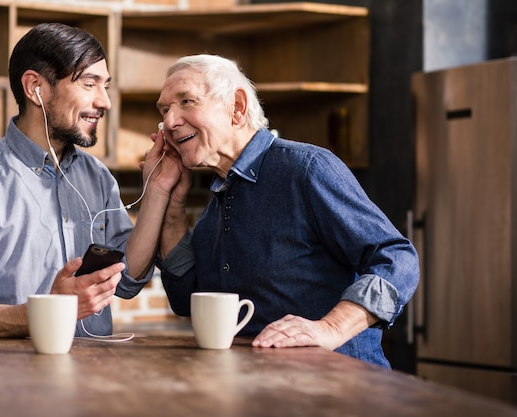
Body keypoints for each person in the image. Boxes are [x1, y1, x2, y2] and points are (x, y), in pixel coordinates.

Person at [149, 54, 420, 367]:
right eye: (165, 110)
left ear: (236, 108)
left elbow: (398, 258)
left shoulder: (307, 169)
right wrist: (173, 209)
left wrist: (330, 328)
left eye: (186, 101)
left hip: (343, 388)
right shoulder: (216, 208)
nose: (169, 122)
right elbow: (185, 300)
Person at [0, 23, 176, 338]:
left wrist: (156, 189)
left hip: (92, 380)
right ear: (35, 87)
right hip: (9, 383)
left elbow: (128, 280)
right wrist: (50, 310)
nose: (105, 102)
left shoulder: (98, 177)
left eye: (105, 85)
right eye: (89, 84)